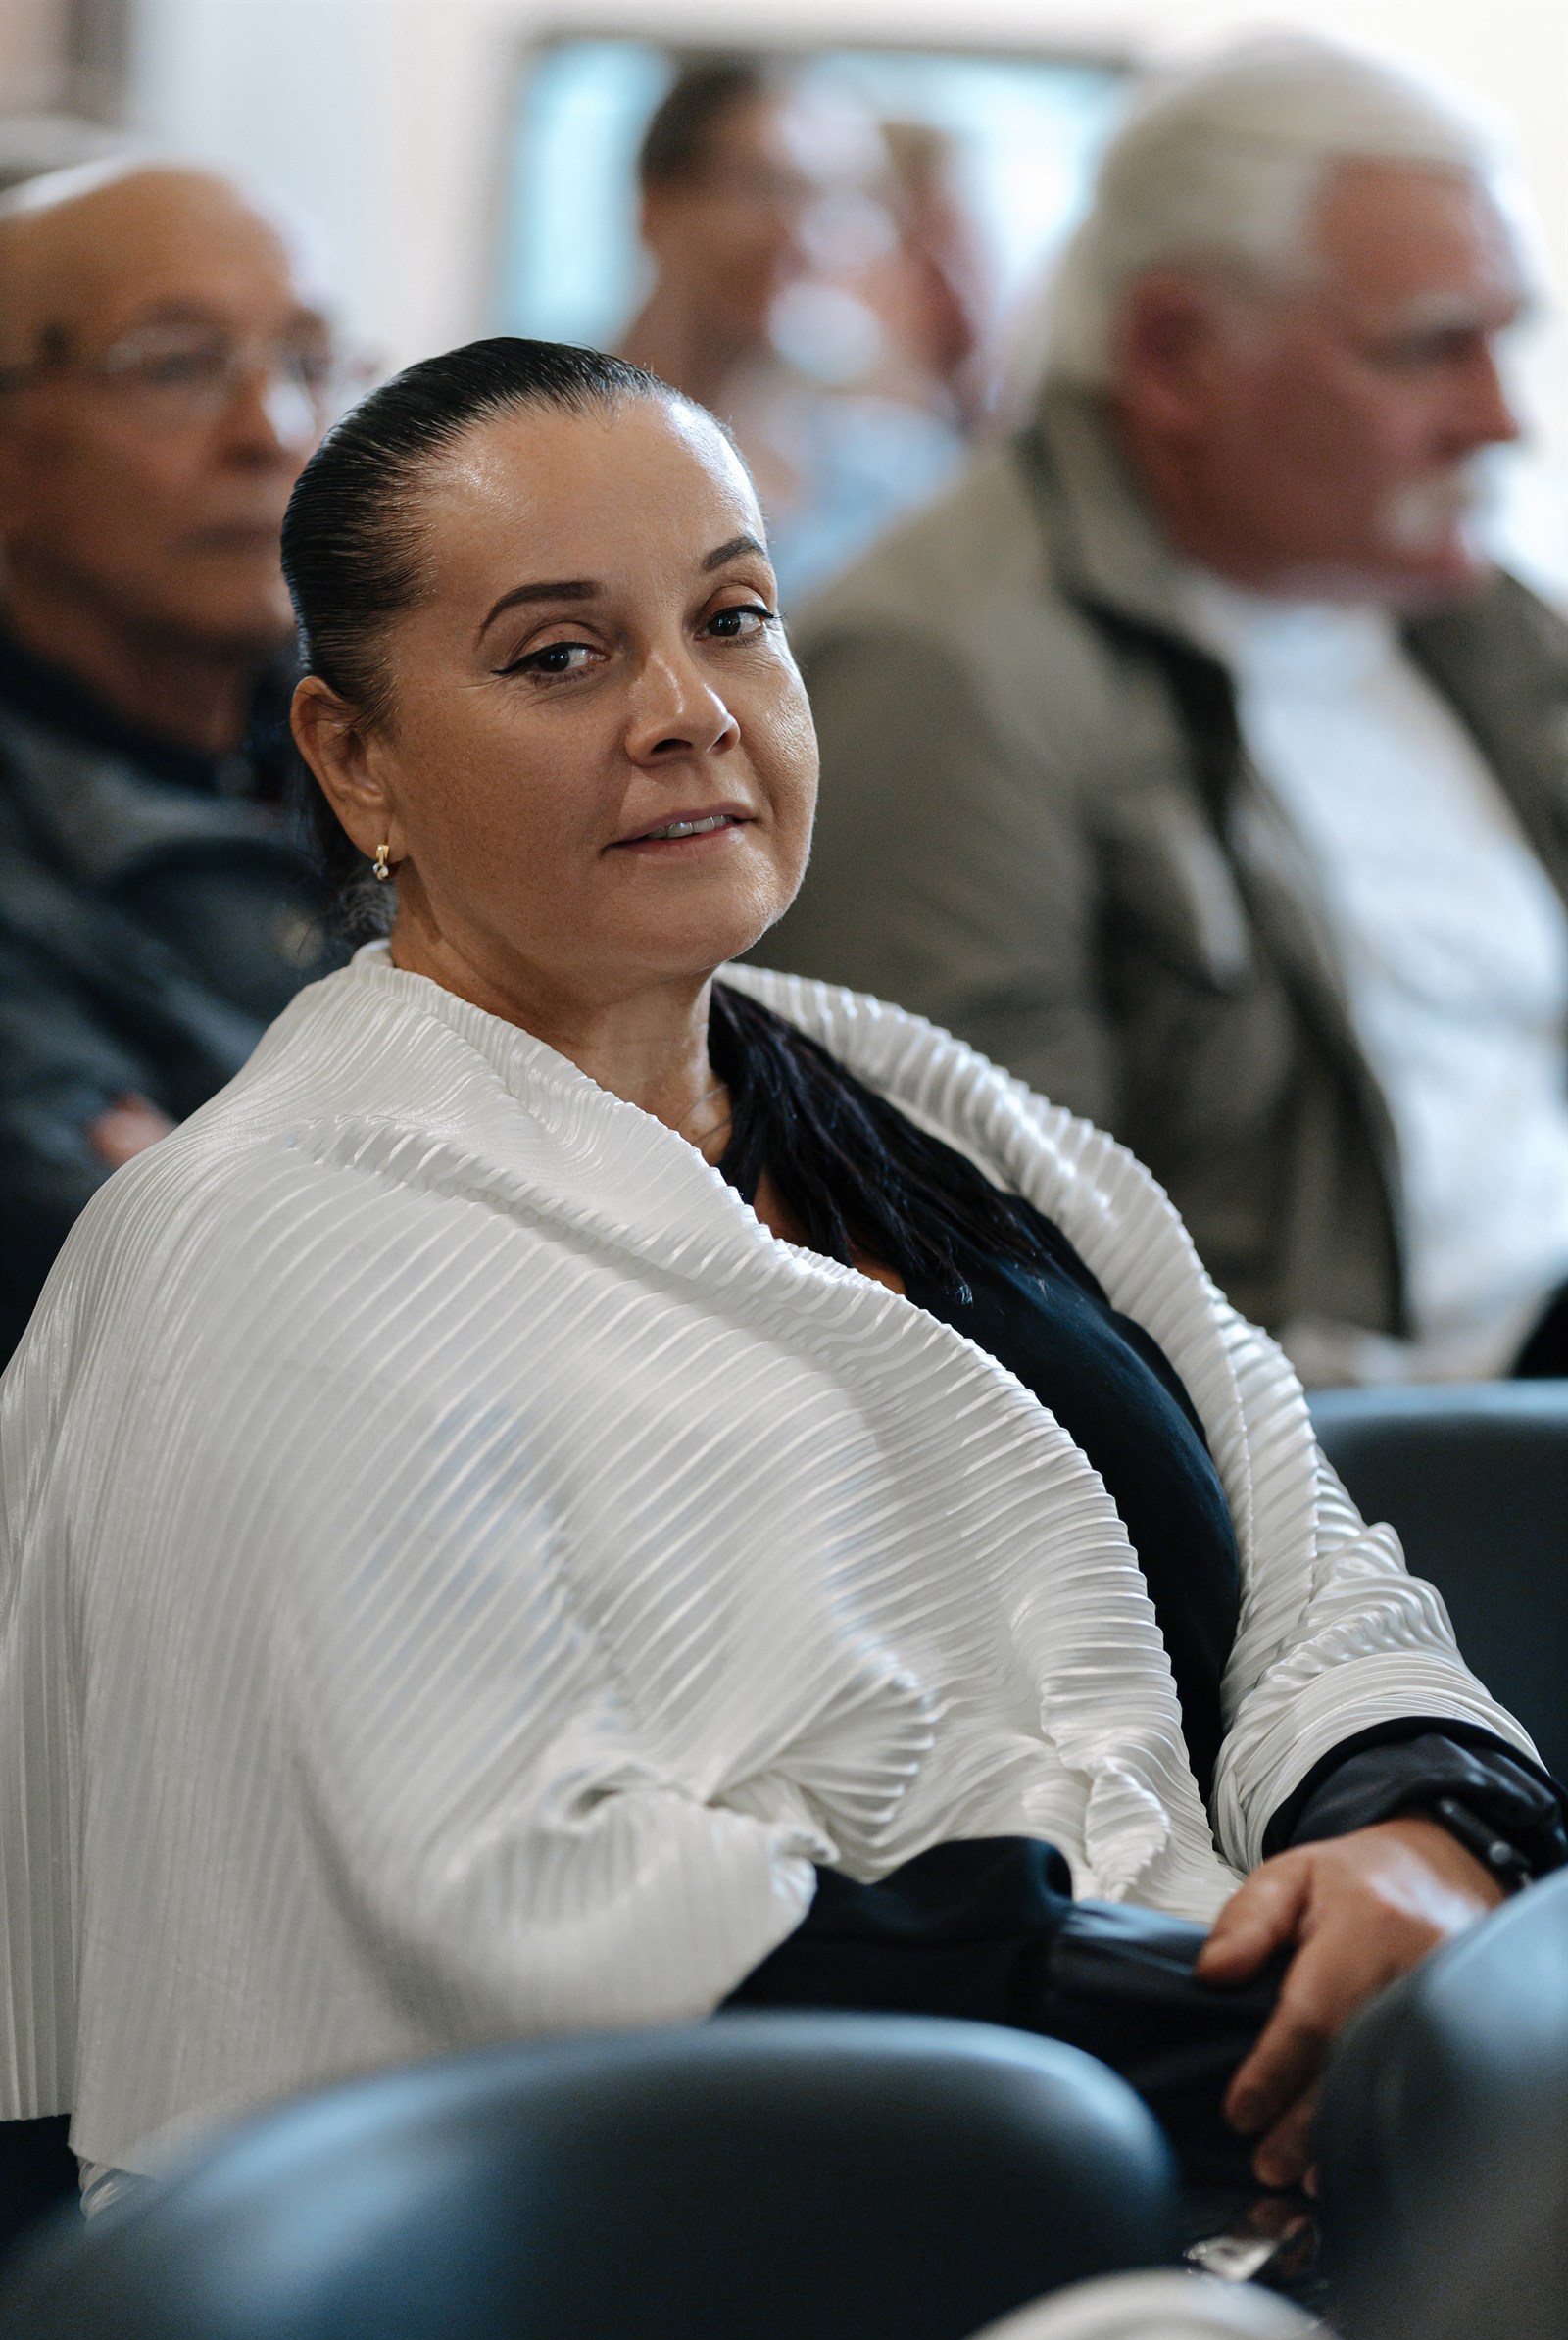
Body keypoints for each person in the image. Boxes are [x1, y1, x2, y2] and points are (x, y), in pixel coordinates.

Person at [0, 340, 1559, 2225]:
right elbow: (510, 1915)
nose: (688, 714)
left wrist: (1415, 1829)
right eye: (559, 656)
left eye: (733, 619)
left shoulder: (913, 1099)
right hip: (793, 2235)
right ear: (354, 758)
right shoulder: (260, 1256)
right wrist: (1288, 2030)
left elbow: (1307, 1559)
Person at [761, 38, 1568, 1388]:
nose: (1499, 420)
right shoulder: (938, 676)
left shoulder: (1474, 625)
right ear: (1174, 353)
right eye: (1430, 348)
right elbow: (993, 1311)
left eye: (1506, 338)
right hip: (1349, 1461)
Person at [0, 159, 357, 1364]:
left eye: (309, 359)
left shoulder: (420, 727)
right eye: (175, 364)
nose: (275, 431)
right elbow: (222, 1309)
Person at [620, 58, 964, 606]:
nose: (802, 232)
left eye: (841, 198)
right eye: (766, 188)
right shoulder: (531, 431)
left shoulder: (898, 479)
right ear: (656, 204)